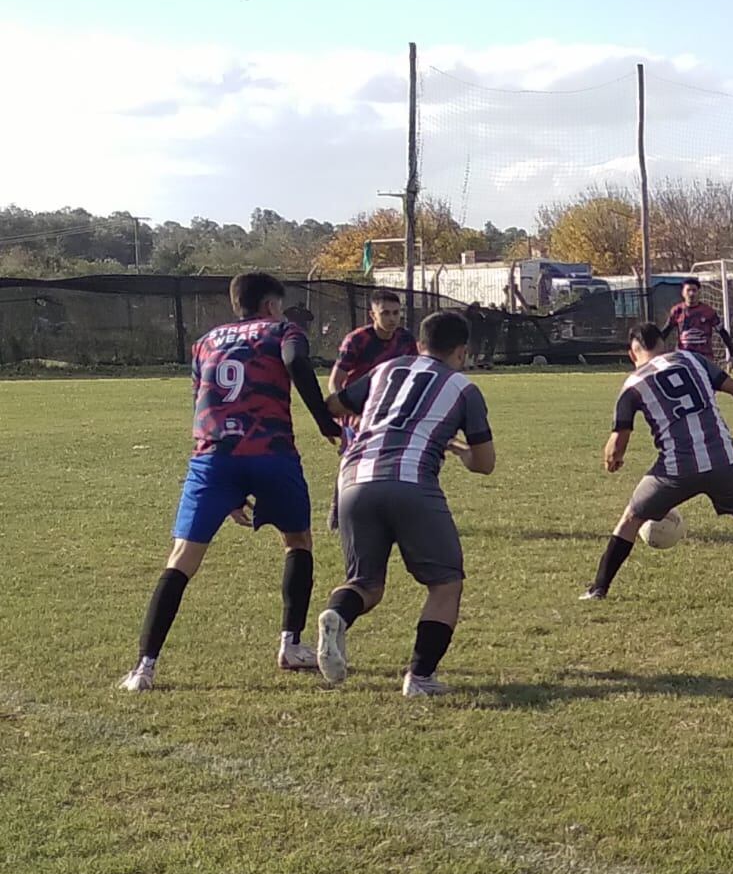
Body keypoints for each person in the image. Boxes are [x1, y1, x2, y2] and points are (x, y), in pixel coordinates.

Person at [118, 272, 342, 692]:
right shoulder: (282, 329)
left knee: (182, 556)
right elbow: (295, 361)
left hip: (214, 458)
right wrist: (325, 422)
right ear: (271, 305)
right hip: (271, 453)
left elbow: (199, 397)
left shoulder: (205, 341)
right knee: (298, 541)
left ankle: (144, 667)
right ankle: (290, 645)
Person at [316, 311, 496, 697]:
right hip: (411, 481)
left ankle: (337, 615)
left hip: (353, 479)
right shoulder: (464, 388)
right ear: (462, 352)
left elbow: (335, 405)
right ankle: (420, 677)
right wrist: (460, 450)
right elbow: (486, 464)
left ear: (418, 346)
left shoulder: (388, 368)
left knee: (365, 584)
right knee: (446, 583)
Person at [583, 324, 733, 599]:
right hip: (724, 459)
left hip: (676, 469)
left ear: (632, 353)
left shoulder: (633, 384)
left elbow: (619, 441)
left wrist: (612, 459)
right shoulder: (692, 359)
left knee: (631, 518)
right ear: (664, 344)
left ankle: (599, 588)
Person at [327, 290, 417, 529]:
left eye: (396, 313)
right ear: (372, 315)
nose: (392, 319)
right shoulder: (357, 340)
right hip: (358, 410)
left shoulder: (406, 340)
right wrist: (347, 414)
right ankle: (339, 512)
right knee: (353, 460)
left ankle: (392, 514)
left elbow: (414, 373)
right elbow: (336, 381)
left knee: (394, 458)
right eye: (385, 313)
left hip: (390, 409)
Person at [662, 277, 733, 369]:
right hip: (684, 358)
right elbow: (665, 332)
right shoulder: (677, 311)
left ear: (699, 292)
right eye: (688, 290)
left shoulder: (708, 311)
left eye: (694, 290)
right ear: (683, 293)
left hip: (705, 359)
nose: (691, 294)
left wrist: (732, 355)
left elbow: (722, 332)